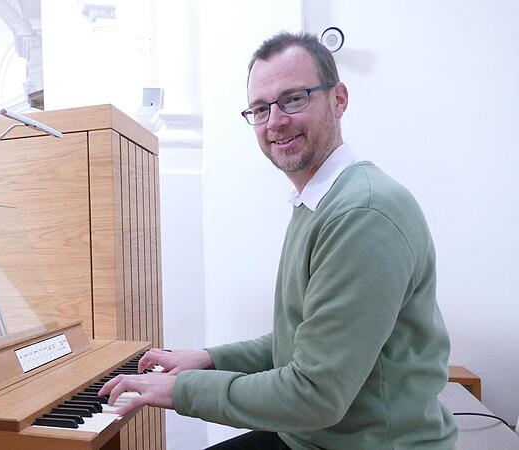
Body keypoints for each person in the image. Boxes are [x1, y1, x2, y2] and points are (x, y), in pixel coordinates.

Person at [99, 32, 458, 450]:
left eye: (294, 99)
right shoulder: (319, 201)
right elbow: (304, 341)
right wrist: (209, 359)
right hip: (315, 437)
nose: (274, 121)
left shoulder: (362, 214)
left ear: (338, 99)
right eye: (260, 108)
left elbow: (315, 394)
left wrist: (180, 391)